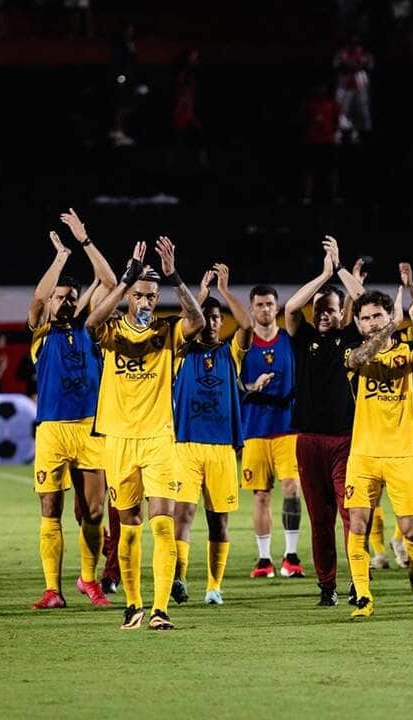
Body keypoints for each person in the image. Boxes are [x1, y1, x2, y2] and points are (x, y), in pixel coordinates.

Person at [85, 237, 205, 630]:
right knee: (129, 526)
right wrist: (123, 281)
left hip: (158, 439)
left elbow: (199, 321)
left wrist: (173, 276)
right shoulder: (112, 332)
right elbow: (90, 323)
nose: (144, 302)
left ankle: (159, 610)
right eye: (138, 295)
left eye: (151, 296)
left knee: (163, 523)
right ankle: (133, 605)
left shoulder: (168, 332)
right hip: (118, 441)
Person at [28, 208, 118, 609]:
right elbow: (37, 299)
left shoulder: (89, 327)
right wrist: (61, 258)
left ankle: (88, 580)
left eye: (70, 296)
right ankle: (52, 589)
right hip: (51, 430)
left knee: (95, 511)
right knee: (51, 508)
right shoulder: (40, 331)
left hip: (89, 428)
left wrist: (83, 241)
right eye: (59, 297)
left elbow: (110, 282)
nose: (64, 302)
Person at [345, 284, 413, 619]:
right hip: (363, 454)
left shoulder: (407, 351)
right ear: (358, 323)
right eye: (366, 318)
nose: (372, 322)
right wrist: (391, 326)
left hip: (401, 453)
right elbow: (359, 359)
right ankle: (363, 596)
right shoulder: (352, 351)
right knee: (357, 524)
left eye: (379, 316)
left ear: (389, 315)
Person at [284, 237, 365, 606]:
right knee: (320, 520)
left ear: (341, 313)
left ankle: (357, 581)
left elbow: (365, 304)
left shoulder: (349, 337)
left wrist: (341, 269)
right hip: (308, 441)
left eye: (330, 310)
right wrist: (323, 276)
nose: (323, 315)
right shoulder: (301, 339)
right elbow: (291, 306)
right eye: (320, 310)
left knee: (350, 516)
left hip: (344, 441)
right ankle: (327, 586)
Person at [168, 264, 251, 606]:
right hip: (186, 446)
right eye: (207, 316)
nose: (214, 322)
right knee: (182, 516)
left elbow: (246, 325)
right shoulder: (179, 354)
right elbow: (183, 323)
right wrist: (199, 298)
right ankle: (179, 577)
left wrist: (226, 289)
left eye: (217, 317)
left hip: (221, 448)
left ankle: (214, 587)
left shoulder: (231, 352)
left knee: (219, 522)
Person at [238, 285, 304, 579]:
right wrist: (253, 387)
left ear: (277, 307)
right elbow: (234, 385)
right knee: (261, 495)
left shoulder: (289, 339)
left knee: (292, 488)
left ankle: (291, 555)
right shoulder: (242, 343)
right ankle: (264, 560)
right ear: (251, 309)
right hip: (254, 429)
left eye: (269, 304)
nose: (265, 309)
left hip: (288, 427)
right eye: (260, 305)